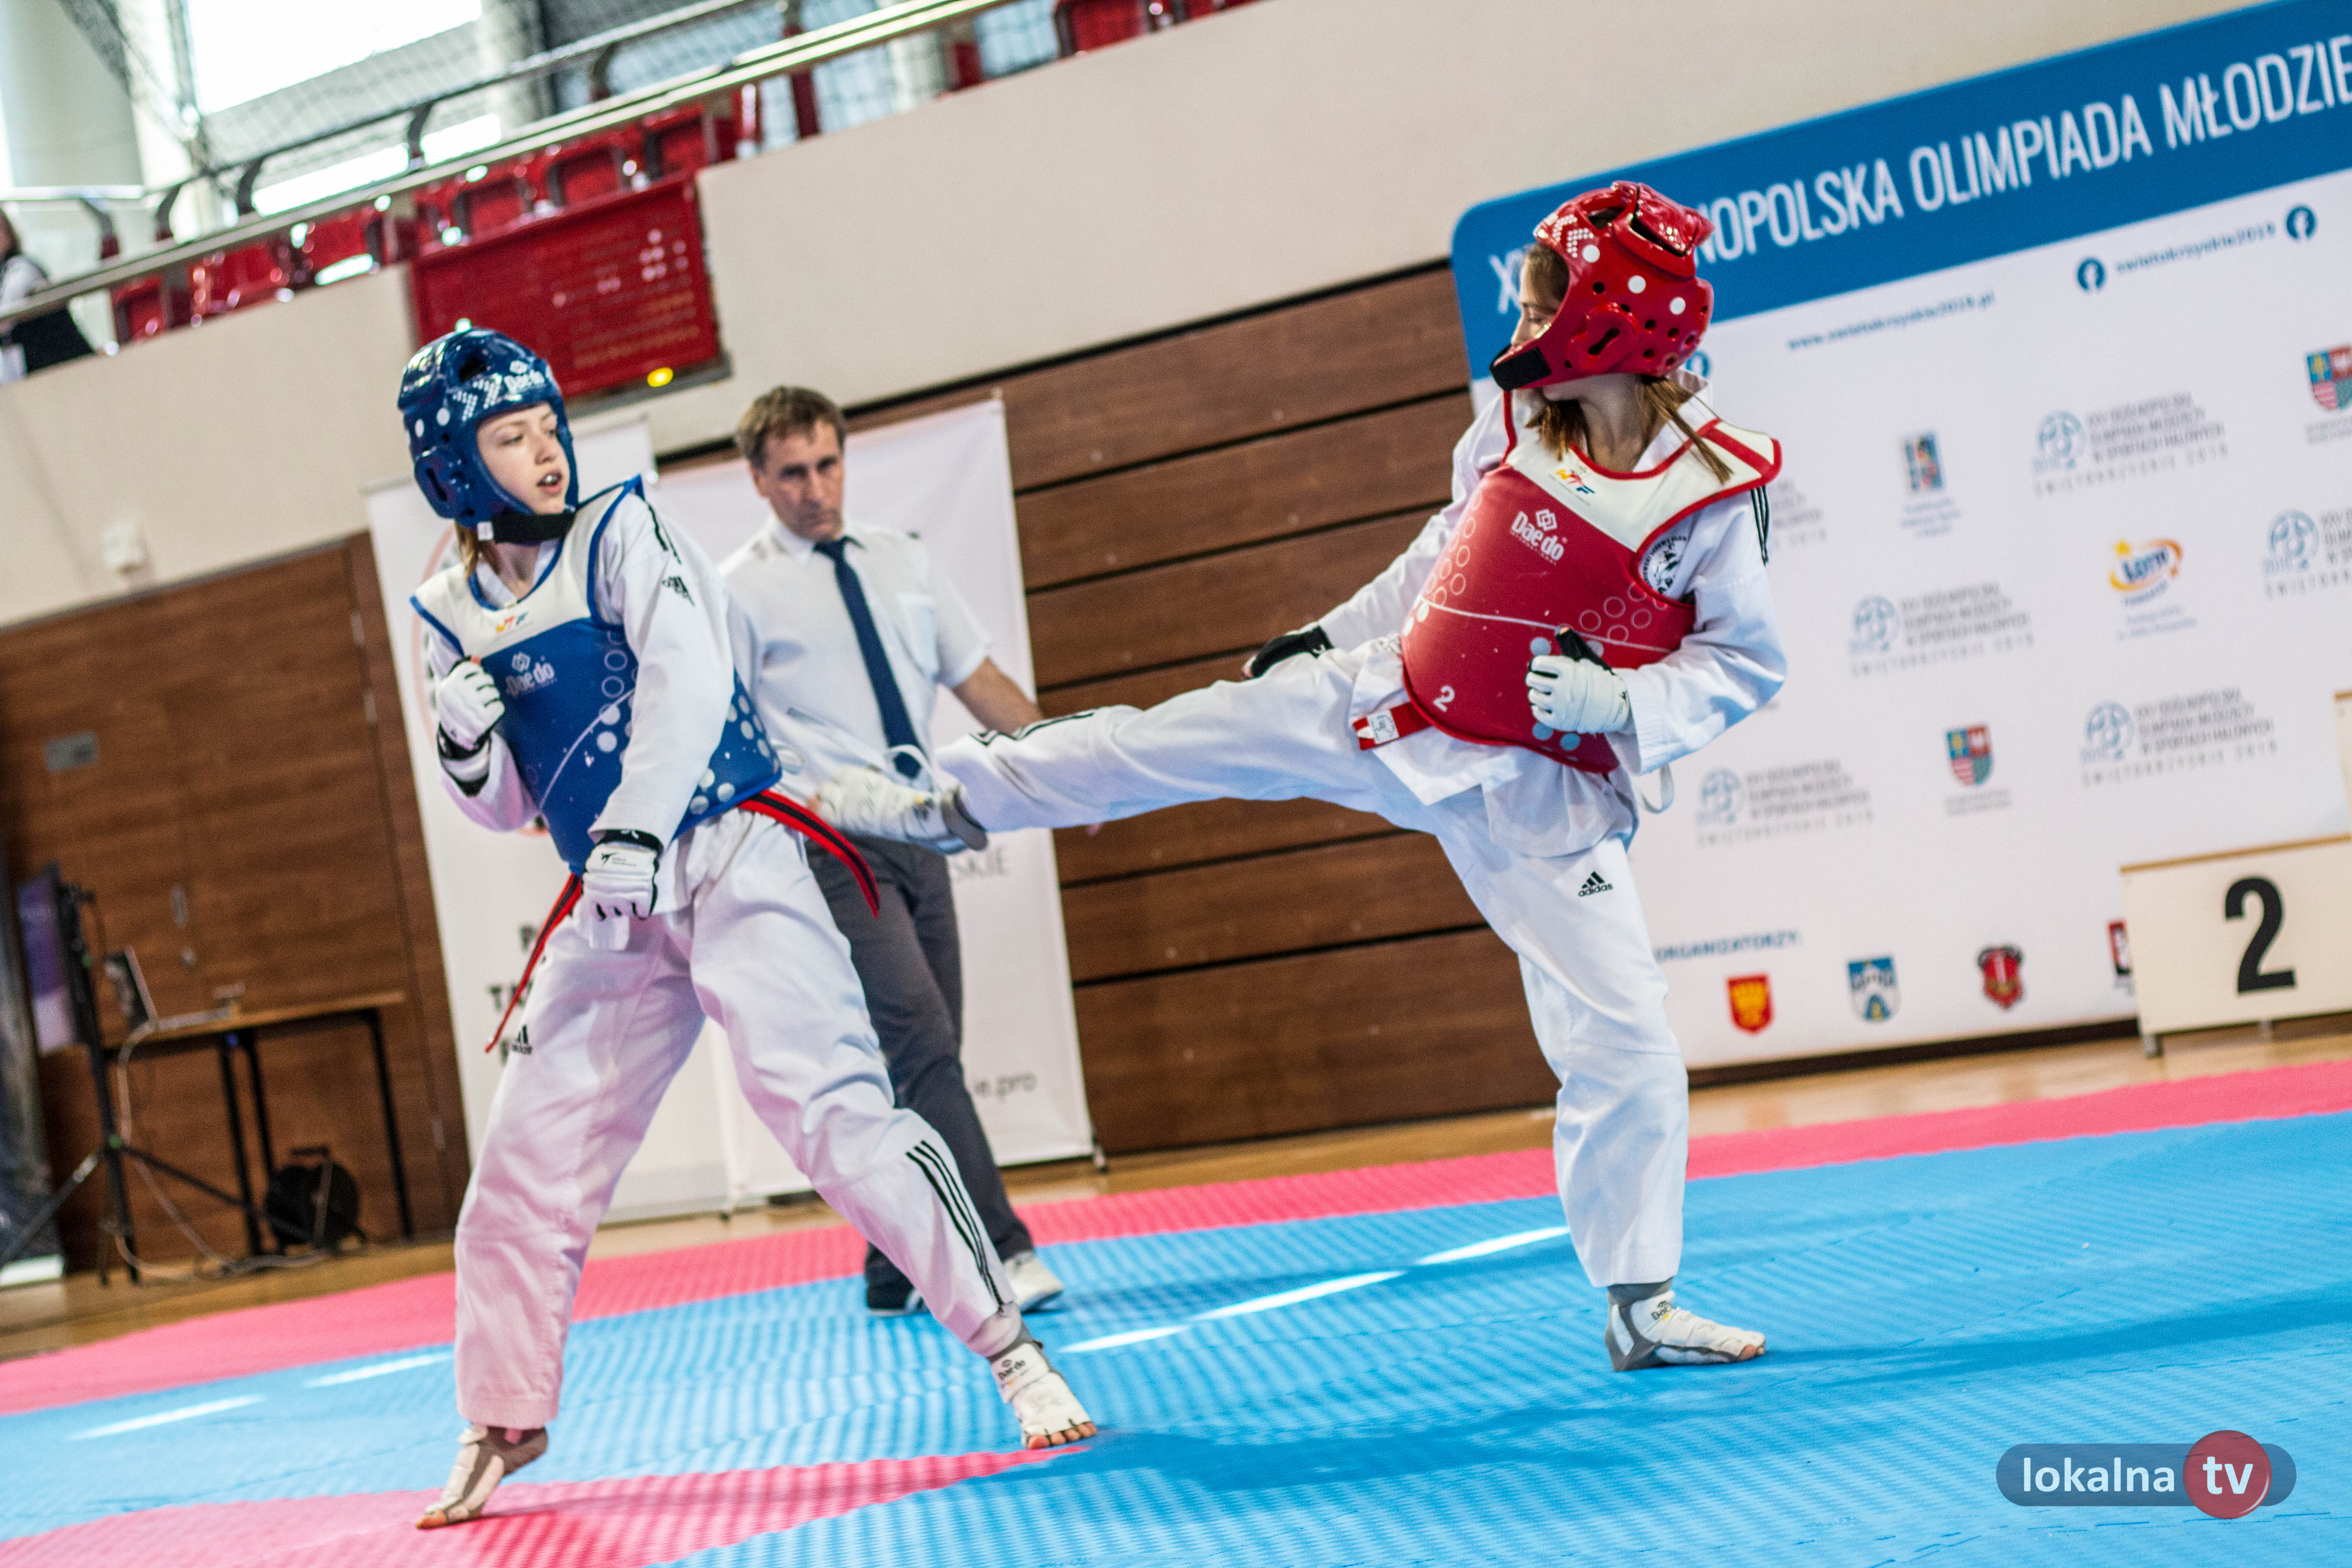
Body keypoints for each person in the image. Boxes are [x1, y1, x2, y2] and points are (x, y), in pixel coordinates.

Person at [937, 183, 1779, 1372]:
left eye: (1540, 302)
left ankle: (1639, 1307)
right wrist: (1328, 636)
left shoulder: (1712, 490)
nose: (1520, 322)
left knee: (1629, 1038)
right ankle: (958, 795)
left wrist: (1623, 705)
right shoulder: (1514, 422)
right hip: (1401, 706)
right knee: (1185, 737)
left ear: (1608, 318)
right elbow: (1449, 552)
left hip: (1543, 789)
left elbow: (1745, 659)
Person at [398, 329, 1092, 1529]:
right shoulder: (445, 613)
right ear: (456, 467)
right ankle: (500, 1413)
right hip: (611, 900)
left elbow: (688, 676)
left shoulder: (624, 530)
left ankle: (1010, 1350)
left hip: (728, 846)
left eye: (549, 427)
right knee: (521, 1160)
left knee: (833, 1113)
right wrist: (465, 745)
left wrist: (633, 825)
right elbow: (505, 807)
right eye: (512, 438)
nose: (548, 453)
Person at [721, 386, 1069, 1319]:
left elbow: (978, 680)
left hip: (922, 828)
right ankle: (1001, 1249)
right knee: (920, 1041)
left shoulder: (902, 560)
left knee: (928, 1049)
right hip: (831, 843)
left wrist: (1068, 768)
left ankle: (892, 1265)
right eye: (792, 474)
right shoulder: (735, 592)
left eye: (826, 465)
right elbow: (727, 733)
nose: (814, 489)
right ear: (758, 480)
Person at [0, 208, 96, 383]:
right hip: (43, 376)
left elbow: (8, 310)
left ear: (8, 234)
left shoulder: (20, 267)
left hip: (67, 369)